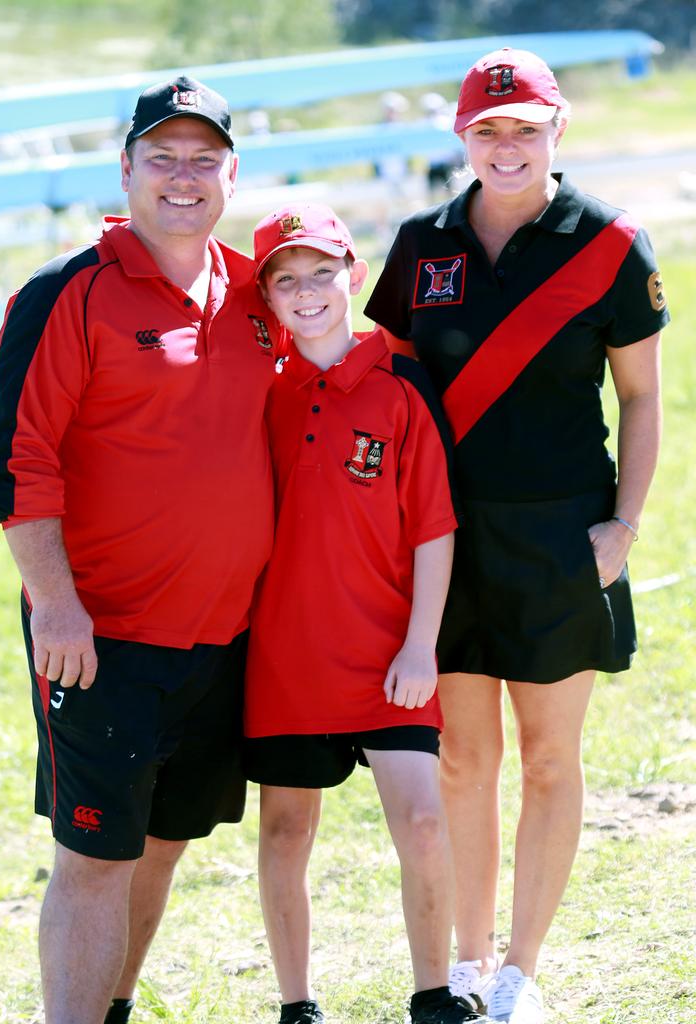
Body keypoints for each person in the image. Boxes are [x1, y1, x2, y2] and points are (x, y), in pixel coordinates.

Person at [365, 47, 668, 1024]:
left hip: (563, 541)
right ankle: (465, 960)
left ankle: (520, 974)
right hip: (443, 548)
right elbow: (392, 396)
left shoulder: (613, 246)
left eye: (525, 128)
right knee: (463, 759)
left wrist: (623, 524)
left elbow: (644, 397)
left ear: (558, 131)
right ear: (463, 137)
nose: (507, 146)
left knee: (548, 759)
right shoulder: (420, 244)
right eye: (488, 129)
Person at [0, 74, 284, 1024]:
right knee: (96, 855)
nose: (183, 178)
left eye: (204, 160)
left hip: (222, 634)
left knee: (162, 842)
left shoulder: (251, 294)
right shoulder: (69, 292)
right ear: (128, 168)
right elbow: (11, 464)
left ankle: (109, 1008)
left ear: (231, 173)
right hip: (100, 635)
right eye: (163, 158)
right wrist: (56, 606)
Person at [243, 203, 489, 1024]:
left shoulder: (398, 382)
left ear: (353, 275)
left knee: (421, 821)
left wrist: (421, 644)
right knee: (284, 834)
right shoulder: (261, 392)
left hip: (390, 651)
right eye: (286, 280)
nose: (307, 292)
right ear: (267, 298)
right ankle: (297, 1004)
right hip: (286, 655)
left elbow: (434, 526)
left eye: (323, 273)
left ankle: (432, 994)